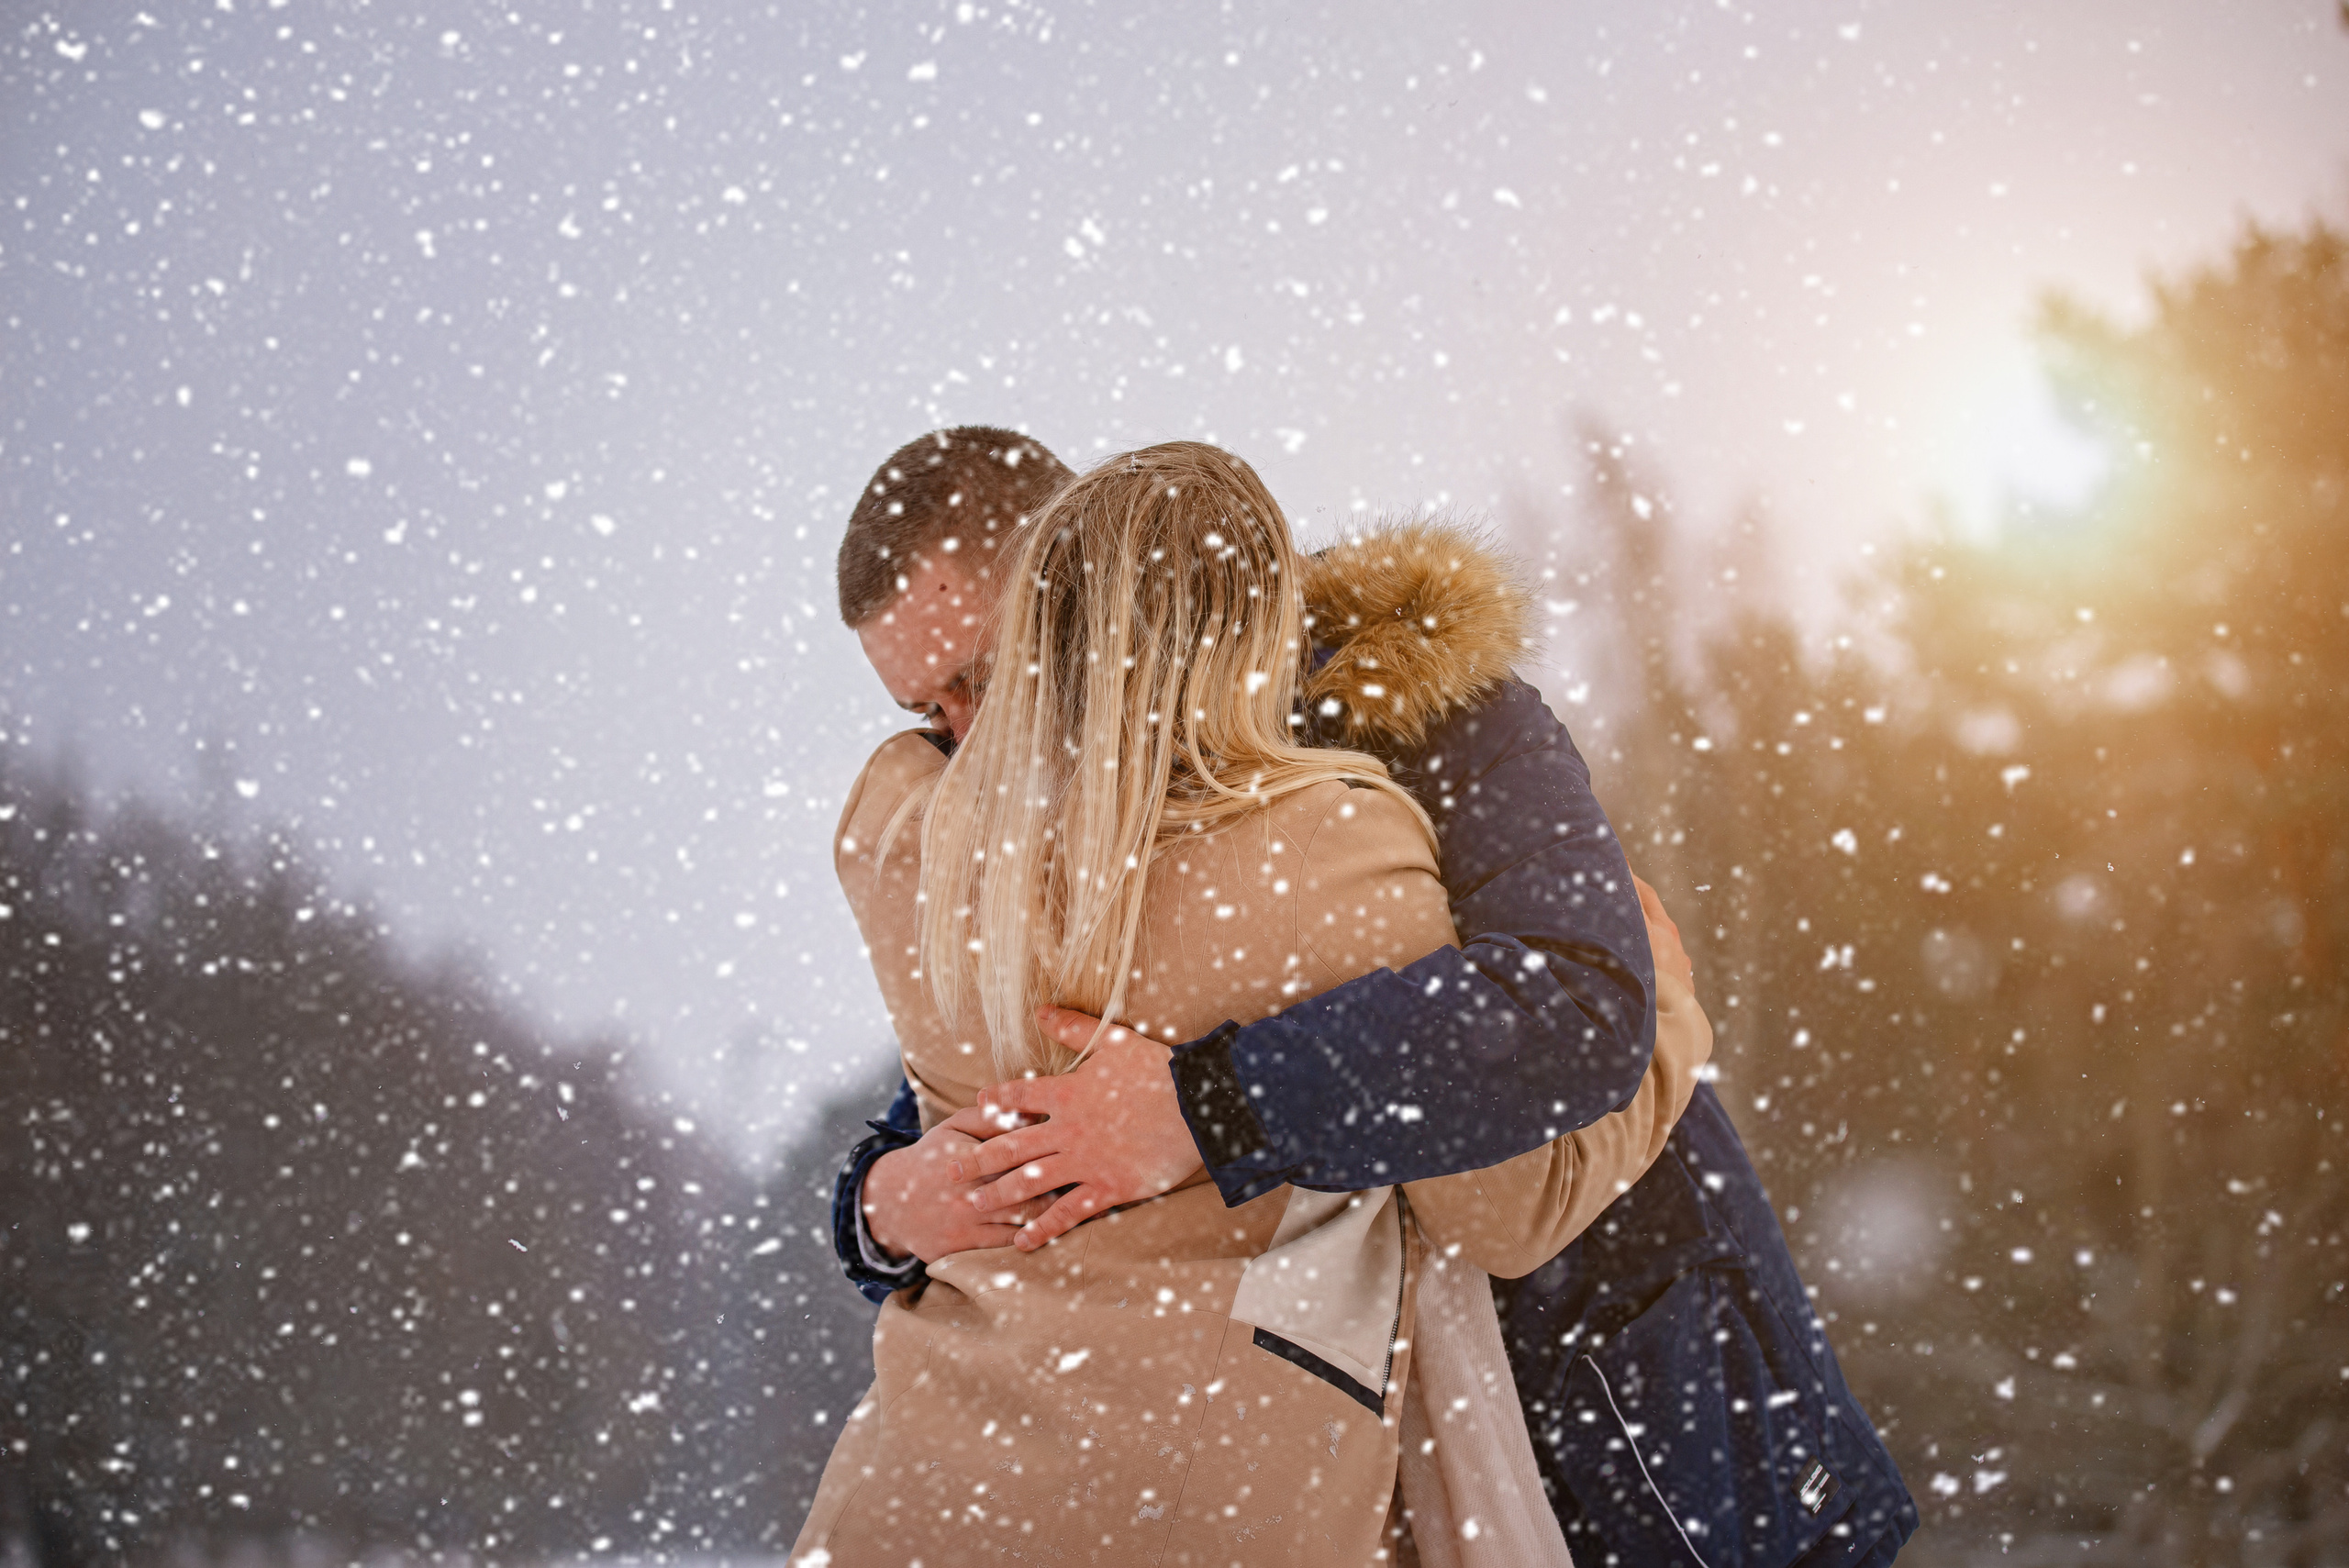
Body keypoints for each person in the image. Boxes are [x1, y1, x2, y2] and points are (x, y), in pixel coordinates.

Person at [821, 427, 1920, 1564]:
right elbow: (1057, 1079)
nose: (959, 738)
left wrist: (1210, 1105)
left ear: (1079, 592)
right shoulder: (1052, 813)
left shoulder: (1435, 721)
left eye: (980, 680)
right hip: (1361, 1449)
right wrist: (880, 1203)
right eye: (926, 712)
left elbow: (1573, 1011)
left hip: (1607, 1369)